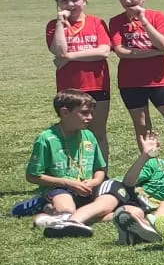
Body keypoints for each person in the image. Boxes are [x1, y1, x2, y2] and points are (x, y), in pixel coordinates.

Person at [107, 0, 164, 148]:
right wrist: (157, 52)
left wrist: (144, 21)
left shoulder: (156, 16)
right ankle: (150, 165)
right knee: (143, 127)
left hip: (159, 80)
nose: (128, 1)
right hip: (130, 82)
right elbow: (121, 52)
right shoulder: (116, 21)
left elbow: (163, 43)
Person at [26, 90, 110, 237]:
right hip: (58, 188)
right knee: (67, 207)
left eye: (91, 113)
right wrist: (67, 183)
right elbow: (32, 176)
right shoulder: (46, 139)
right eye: (84, 113)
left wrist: (95, 181)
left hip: (87, 188)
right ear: (65, 112)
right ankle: (60, 214)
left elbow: (100, 168)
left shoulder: (88, 135)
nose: (89, 118)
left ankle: (51, 213)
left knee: (112, 203)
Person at [47, 0, 116, 146]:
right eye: (64, 1)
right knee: (72, 134)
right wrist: (59, 24)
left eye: (75, 0)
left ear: (85, 0)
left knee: (98, 134)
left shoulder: (96, 22)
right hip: (69, 89)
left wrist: (70, 57)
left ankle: (101, 172)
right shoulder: (53, 26)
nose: (70, 4)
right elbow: (60, 51)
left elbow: (103, 51)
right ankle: (77, 172)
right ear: (57, 3)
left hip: (97, 85)